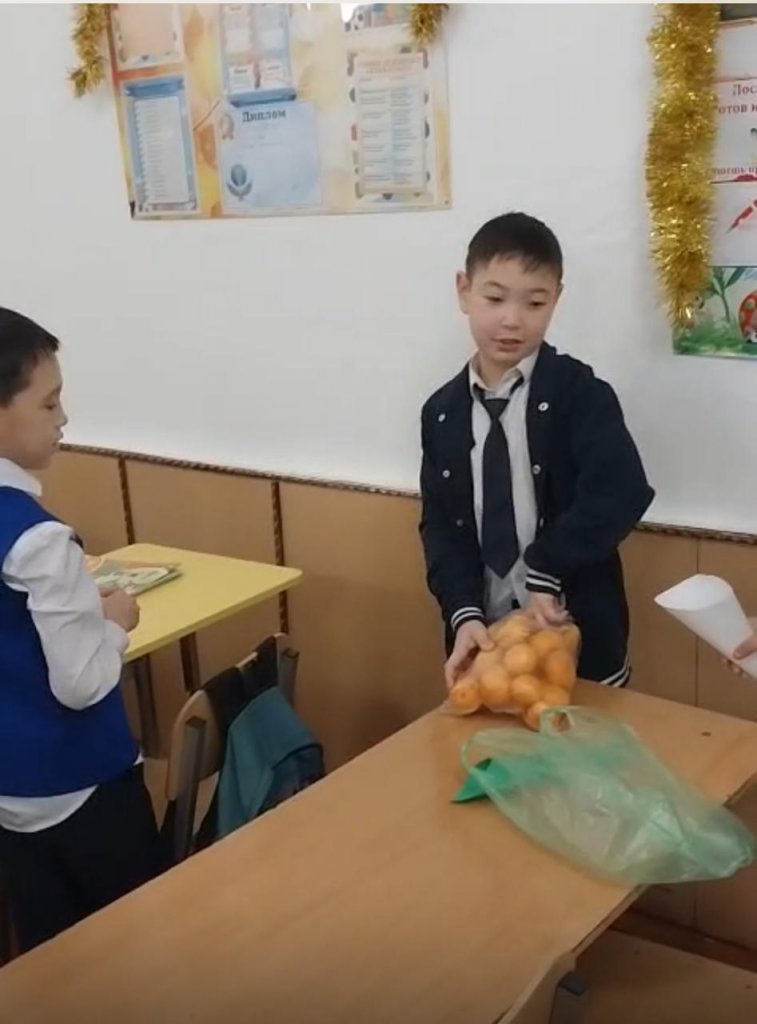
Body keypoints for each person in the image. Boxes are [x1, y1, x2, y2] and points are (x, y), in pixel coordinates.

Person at [419, 213, 654, 689]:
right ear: (464, 290)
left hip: (578, 636)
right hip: (486, 643)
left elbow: (621, 491)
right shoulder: (441, 412)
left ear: (556, 299)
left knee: (587, 733)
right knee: (485, 733)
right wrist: (463, 613)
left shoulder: (580, 394)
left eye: (535, 302)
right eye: (494, 298)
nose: (512, 319)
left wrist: (548, 567)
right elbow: (441, 527)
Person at [0, 308, 161, 953]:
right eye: (48, 403)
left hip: (13, 794)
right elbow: (81, 683)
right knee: (140, 950)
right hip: (82, 787)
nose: (63, 418)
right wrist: (113, 624)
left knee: (53, 960)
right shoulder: (39, 539)